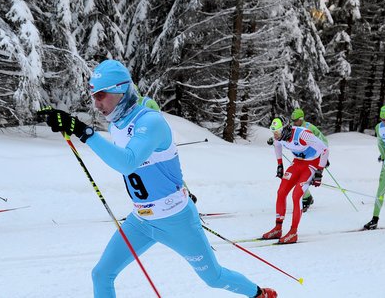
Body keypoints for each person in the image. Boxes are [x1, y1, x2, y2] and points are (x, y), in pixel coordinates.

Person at [37, 60, 276, 298]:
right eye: (93, 96)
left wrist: (81, 130)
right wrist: (69, 124)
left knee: (213, 278)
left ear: (121, 90)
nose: (96, 103)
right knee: (101, 274)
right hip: (141, 220)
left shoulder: (150, 122)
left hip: (176, 220)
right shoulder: (117, 125)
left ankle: (258, 294)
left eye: (101, 95)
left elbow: (127, 162)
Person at [262, 117, 329, 244]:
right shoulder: (279, 137)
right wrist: (280, 165)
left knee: (296, 195)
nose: (275, 135)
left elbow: (325, 149)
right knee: (281, 192)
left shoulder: (302, 134)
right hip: (297, 163)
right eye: (273, 132)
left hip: (311, 164)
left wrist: (319, 171)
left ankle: (293, 232)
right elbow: (277, 146)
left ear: (286, 129)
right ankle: (278, 228)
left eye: (277, 132)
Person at [289, 108, 328, 212]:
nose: (294, 123)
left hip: (314, 157)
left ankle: (306, 198)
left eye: (296, 120)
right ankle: (308, 197)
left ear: (301, 119)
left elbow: (323, 141)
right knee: (297, 178)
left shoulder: (309, 128)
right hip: (302, 157)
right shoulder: (294, 127)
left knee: (305, 179)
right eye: (293, 121)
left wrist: (324, 158)